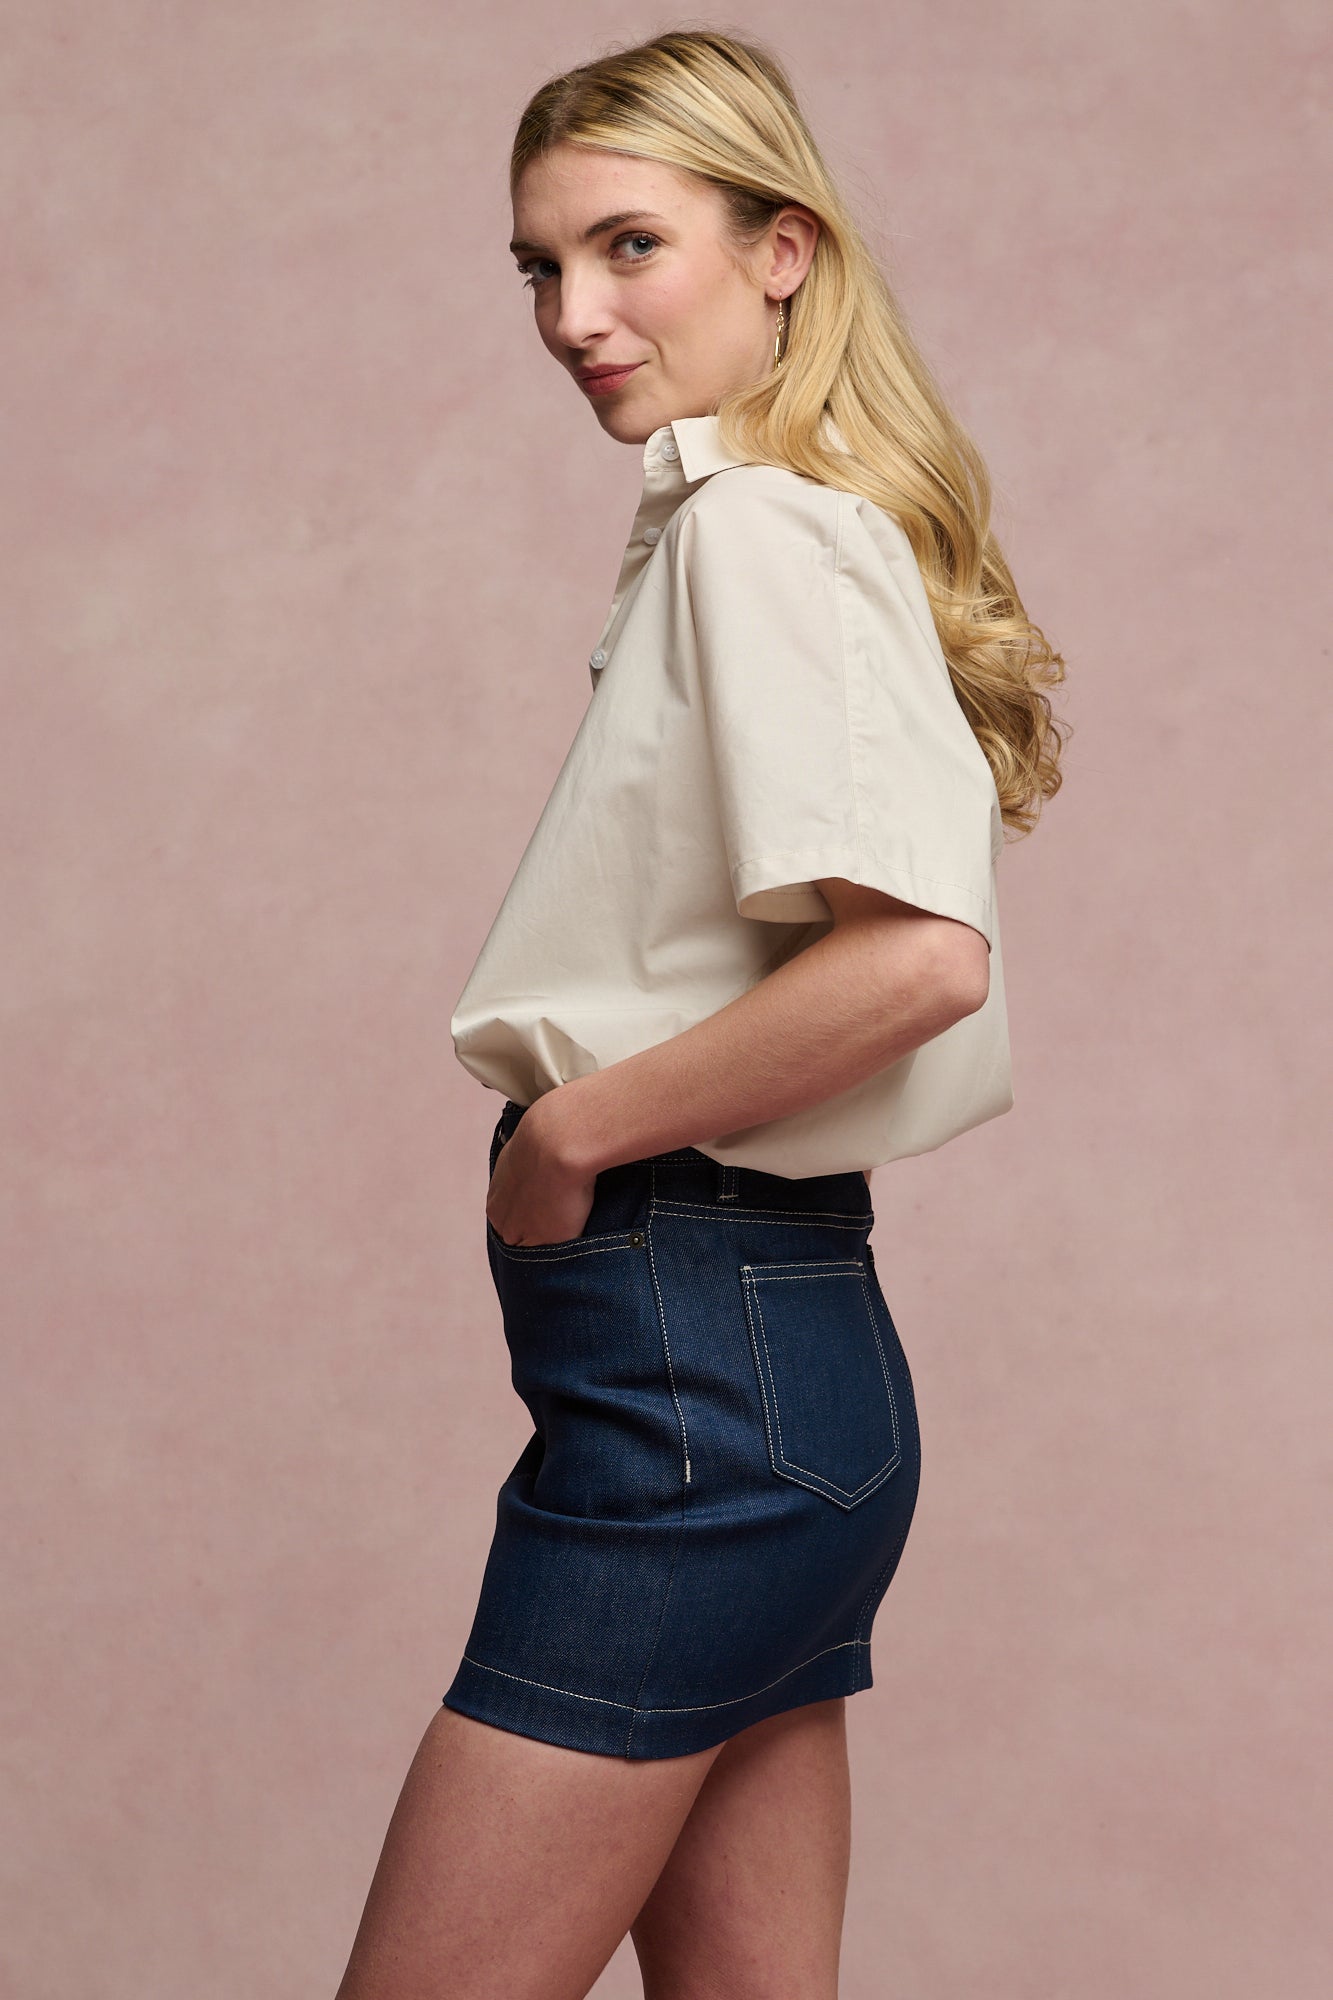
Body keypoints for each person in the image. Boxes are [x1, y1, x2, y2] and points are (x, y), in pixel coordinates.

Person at [334, 28, 1066, 2000]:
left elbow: (915, 956)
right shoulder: (783, 521)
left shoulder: (754, 529)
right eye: (535, 266)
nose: (572, 315)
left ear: (779, 250)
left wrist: (569, 1131)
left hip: (696, 1371)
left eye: (626, 247)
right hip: (773, 1357)